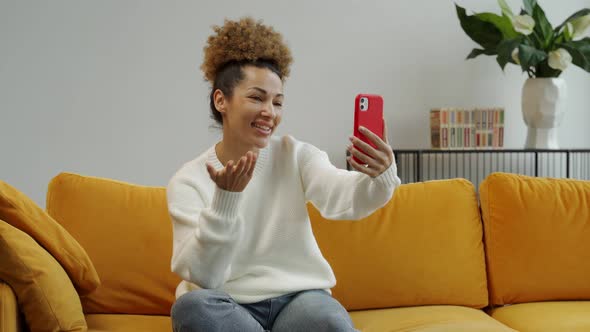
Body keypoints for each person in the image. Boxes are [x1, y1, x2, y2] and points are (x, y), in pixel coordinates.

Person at [167, 17, 401, 332]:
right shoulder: (188, 181)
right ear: (221, 99)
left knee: (327, 319)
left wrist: (380, 176)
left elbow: (345, 198)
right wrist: (226, 199)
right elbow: (205, 277)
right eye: (256, 97)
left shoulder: (297, 156)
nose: (270, 113)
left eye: (277, 102)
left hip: (299, 301)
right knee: (192, 308)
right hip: (229, 304)